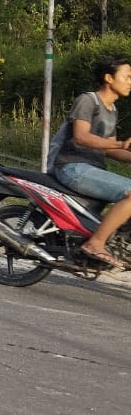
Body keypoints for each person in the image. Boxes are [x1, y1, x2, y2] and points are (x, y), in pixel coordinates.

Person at [51, 57, 131, 266]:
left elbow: (110, 149)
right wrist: (121, 144)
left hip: (92, 169)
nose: (130, 81)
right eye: (127, 76)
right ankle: (95, 243)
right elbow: (81, 137)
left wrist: (126, 152)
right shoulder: (88, 100)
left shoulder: (112, 110)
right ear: (108, 78)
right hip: (73, 167)